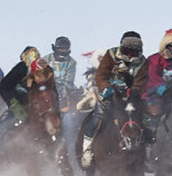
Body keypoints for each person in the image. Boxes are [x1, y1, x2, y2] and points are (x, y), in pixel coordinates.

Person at [81, 32, 149, 168]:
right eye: (127, 51)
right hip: (108, 94)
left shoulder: (143, 63)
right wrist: (107, 88)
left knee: (144, 118)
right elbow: (101, 74)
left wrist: (133, 93)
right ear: (121, 47)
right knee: (98, 116)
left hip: (131, 97)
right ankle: (87, 150)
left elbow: (140, 82)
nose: (130, 56)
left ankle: (146, 154)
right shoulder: (111, 55)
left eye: (134, 52)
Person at [0, 46, 46, 143]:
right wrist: (14, 104)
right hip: (21, 108)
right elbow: (3, 86)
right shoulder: (20, 69)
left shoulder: (45, 71)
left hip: (41, 109)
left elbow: (51, 90)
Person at [46, 36, 78, 101]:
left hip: (65, 89)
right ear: (55, 49)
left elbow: (69, 80)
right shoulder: (46, 60)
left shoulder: (71, 62)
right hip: (48, 87)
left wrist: (63, 93)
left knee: (76, 95)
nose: (63, 51)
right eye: (60, 49)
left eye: (65, 49)